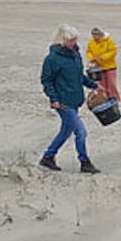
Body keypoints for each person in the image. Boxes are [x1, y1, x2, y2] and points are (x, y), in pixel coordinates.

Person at [38, 24, 101, 174]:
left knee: (66, 131)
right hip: (62, 101)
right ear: (62, 40)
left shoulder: (75, 55)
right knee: (80, 131)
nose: (74, 43)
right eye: (70, 40)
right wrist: (54, 98)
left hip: (75, 99)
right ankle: (84, 162)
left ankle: (48, 157)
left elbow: (79, 77)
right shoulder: (52, 59)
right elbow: (46, 80)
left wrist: (94, 85)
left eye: (75, 40)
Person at [86, 27, 120, 102]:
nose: (95, 37)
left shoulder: (108, 41)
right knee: (101, 85)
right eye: (93, 35)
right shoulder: (92, 42)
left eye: (96, 35)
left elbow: (113, 52)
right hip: (98, 67)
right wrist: (92, 58)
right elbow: (89, 51)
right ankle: (103, 99)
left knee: (111, 84)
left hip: (110, 66)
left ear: (100, 35)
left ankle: (114, 99)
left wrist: (103, 57)